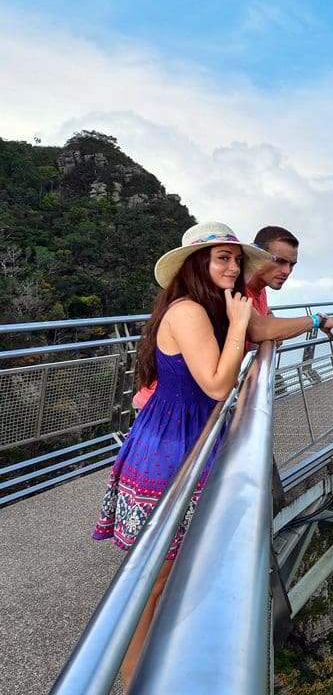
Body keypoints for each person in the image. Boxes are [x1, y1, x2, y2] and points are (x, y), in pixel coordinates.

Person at [92, 221, 270, 683]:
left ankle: (152, 669)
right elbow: (215, 383)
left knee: (166, 578)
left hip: (184, 443)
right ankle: (132, 680)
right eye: (222, 258)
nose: (233, 267)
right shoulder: (190, 312)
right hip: (167, 455)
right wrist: (238, 326)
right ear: (197, 264)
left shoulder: (206, 307)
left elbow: (255, 337)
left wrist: (303, 322)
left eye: (236, 259)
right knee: (152, 584)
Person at [131, 224, 333, 408]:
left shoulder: (241, 291)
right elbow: (259, 328)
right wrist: (318, 320)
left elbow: (263, 321)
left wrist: (270, 319)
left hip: (194, 404)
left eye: (292, 265)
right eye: (279, 261)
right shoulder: (218, 297)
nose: (287, 271)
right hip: (171, 409)